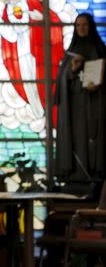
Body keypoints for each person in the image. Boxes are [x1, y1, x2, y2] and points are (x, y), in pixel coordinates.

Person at [0, 0, 64, 126]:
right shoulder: (6, 12)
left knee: (43, 79)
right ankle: (40, 114)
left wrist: (41, 19)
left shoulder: (32, 2)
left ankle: (51, 114)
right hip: (20, 53)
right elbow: (11, 36)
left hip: (39, 49)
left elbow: (54, 20)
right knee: (28, 83)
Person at [54, 13, 106, 196]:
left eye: (85, 25)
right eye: (78, 26)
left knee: (95, 139)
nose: (81, 29)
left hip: (96, 106)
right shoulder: (71, 52)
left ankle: (96, 175)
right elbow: (62, 81)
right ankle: (76, 175)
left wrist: (99, 83)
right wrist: (73, 70)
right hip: (74, 108)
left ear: (91, 27)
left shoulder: (100, 50)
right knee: (77, 139)